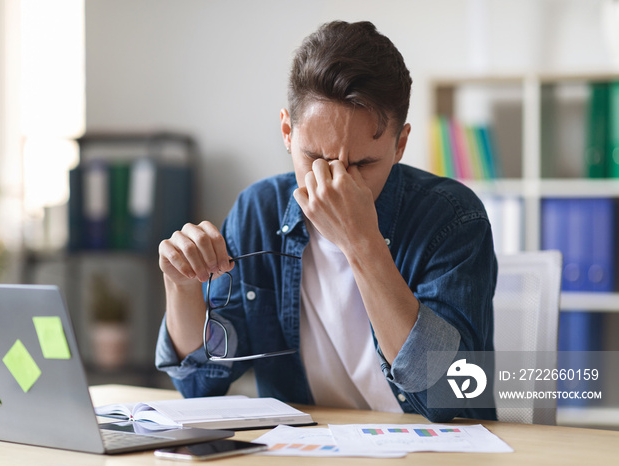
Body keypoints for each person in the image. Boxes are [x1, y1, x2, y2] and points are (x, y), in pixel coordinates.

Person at [156, 20, 496, 422]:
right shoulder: (259, 211)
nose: (333, 183)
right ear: (287, 131)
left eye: (363, 163)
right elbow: (199, 385)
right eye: (315, 159)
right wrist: (181, 287)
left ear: (399, 144)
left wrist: (362, 244)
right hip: (308, 448)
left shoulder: (453, 218)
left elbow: (453, 395)